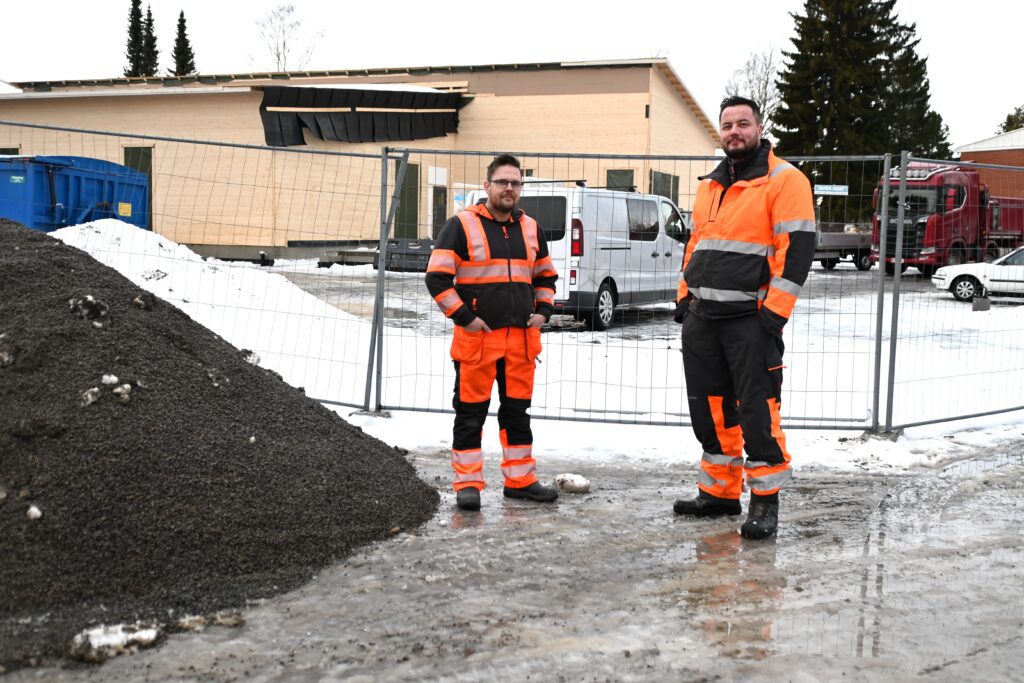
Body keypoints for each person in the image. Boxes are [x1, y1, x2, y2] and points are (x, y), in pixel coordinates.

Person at [673, 96, 815, 539]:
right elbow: (696, 244)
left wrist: (772, 316)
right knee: (711, 413)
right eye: (727, 125)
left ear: (758, 128)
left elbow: (796, 253)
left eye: (743, 124)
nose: (734, 131)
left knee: (757, 414)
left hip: (750, 321)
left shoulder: (784, 180)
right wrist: (684, 297)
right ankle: (719, 494)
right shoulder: (710, 185)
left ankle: (765, 503)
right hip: (703, 319)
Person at [426, 154, 560, 511]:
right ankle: (467, 483)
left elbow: (545, 277)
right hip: (478, 340)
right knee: (470, 413)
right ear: (487, 187)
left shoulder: (531, 228)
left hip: (520, 341)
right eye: (502, 182)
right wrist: (465, 318)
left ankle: (520, 481)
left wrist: (543, 312)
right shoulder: (461, 225)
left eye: (515, 183)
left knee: (517, 414)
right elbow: (436, 278)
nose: (509, 188)